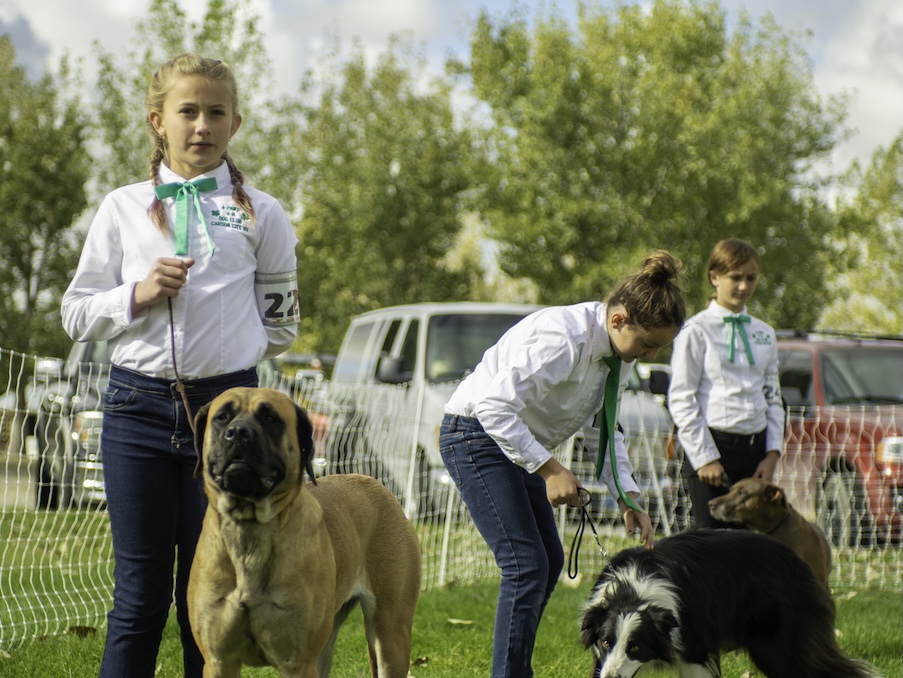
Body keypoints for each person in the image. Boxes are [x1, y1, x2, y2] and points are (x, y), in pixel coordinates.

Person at [60, 53, 300, 678]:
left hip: (228, 416)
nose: (202, 125)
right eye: (187, 111)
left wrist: (228, 358)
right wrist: (135, 295)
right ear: (157, 121)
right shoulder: (121, 208)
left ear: (236, 123)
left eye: (216, 112)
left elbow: (282, 325)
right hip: (135, 413)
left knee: (210, 599)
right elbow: (76, 313)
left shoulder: (263, 214)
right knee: (138, 598)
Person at [439, 250, 686, 678]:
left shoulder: (617, 356)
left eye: (657, 348)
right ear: (618, 320)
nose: (647, 355)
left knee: (549, 559)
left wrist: (627, 496)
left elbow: (603, 429)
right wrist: (551, 470)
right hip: (474, 433)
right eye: (647, 344)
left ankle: (516, 669)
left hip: (519, 443)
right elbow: (493, 407)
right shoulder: (562, 338)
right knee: (525, 563)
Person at [668, 238, 783, 529]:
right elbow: (682, 398)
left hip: (755, 455)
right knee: (711, 549)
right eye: (735, 277)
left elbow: (773, 398)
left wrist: (771, 455)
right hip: (713, 447)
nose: (744, 286)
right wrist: (705, 458)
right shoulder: (696, 330)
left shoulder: (765, 334)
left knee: (750, 548)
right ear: (715, 277)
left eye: (751, 278)